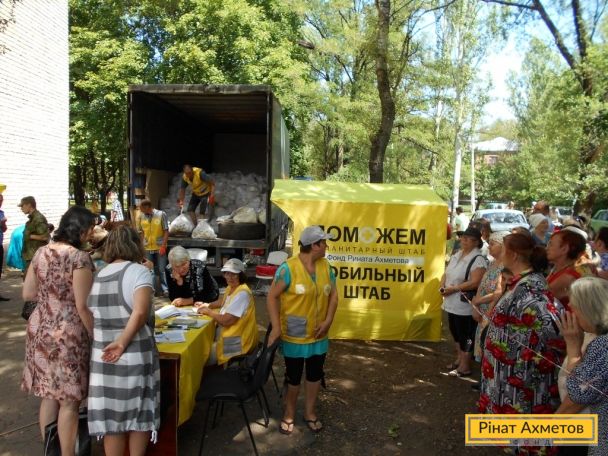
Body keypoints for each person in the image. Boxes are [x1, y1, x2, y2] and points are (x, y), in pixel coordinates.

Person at [21, 206, 96, 453]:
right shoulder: (79, 258)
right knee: (70, 401)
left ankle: (49, 450)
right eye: (91, 228)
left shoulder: (41, 252)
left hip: (40, 328)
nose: (92, 233)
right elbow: (82, 305)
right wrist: (95, 334)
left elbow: (28, 293)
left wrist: (50, 296)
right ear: (81, 230)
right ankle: (67, 453)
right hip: (67, 332)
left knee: (49, 395)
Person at [479, 234, 564, 448]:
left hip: (523, 380)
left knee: (527, 441)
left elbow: (556, 332)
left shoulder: (531, 289)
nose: (499, 253)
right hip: (508, 379)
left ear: (514, 255)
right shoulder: (519, 284)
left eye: (503, 249)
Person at [87, 225, 160, 455]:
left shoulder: (98, 274)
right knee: (139, 416)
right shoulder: (139, 272)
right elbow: (140, 312)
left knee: (112, 421)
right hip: (133, 353)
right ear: (135, 245)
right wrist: (121, 342)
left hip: (103, 356)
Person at [267, 225, 338, 435]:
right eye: (324, 242)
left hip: (319, 335)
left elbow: (334, 296)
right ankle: (289, 413)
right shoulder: (287, 269)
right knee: (294, 376)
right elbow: (272, 297)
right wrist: (276, 327)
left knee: (315, 375)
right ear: (314, 245)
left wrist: (328, 321)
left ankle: (310, 412)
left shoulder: (326, 266)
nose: (326, 246)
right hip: (294, 336)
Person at [556, 277, 608, 456]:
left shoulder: (603, 346)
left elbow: (578, 394)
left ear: (588, 308)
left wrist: (573, 347)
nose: (571, 310)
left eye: (575, 308)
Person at [440, 227, 487, 377]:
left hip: (464, 304)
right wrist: (442, 285)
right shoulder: (457, 254)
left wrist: (453, 289)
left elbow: (475, 282)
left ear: (476, 242)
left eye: (467, 238)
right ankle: (459, 359)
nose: (463, 240)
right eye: (463, 237)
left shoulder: (478, 259)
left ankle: (465, 365)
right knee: (455, 332)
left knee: (466, 335)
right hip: (451, 302)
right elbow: (446, 273)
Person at [195, 258, 259, 365]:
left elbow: (226, 321)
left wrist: (209, 312)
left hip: (237, 342)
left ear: (241, 275)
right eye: (227, 274)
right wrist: (208, 305)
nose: (229, 277)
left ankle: (213, 374)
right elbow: (224, 301)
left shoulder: (242, 293)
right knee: (202, 344)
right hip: (231, 336)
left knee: (200, 355)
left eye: (234, 274)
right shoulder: (232, 287)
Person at [471, 231, 509, 364]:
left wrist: (479, 302)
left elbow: (499, 291)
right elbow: (482, 285)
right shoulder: (492, 263)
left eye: (492, 244)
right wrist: (476, 306)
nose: (488, 246)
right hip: (482, 309)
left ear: (502, 246)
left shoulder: (506, 266)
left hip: (491, 311)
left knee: (489, 347)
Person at [546, 230, 593, 309]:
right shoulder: (565, 269)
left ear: (564, 249)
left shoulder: (568, 277)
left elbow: (538, 298)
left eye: (551, 244)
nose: (547, 248)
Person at [135, 199, 169, 297]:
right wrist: (141, 247)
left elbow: (166, 231)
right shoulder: (141, 216)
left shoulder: (161, 214)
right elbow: (141, 232)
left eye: (141, 208)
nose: (140, 211)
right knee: (149, 270)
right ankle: (151, 290)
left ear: (147, 207)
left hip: (159, 247)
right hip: (147, 248)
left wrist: (163, 245)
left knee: (162, 269)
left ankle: (165, 290)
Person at [19, 196, 49, 273]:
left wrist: (29, 236)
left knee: (31, 279)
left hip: (36, 257)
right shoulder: (32, 218)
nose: (21, 208)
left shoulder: (38, 218)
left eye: (22, 206)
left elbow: (45, 237)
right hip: (31, 256)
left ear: (29, 205)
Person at [0, 193, 8, 301]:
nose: (0, 202)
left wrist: (3, 224)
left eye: (1, 200)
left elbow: (4, 229)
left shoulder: (1, 213)